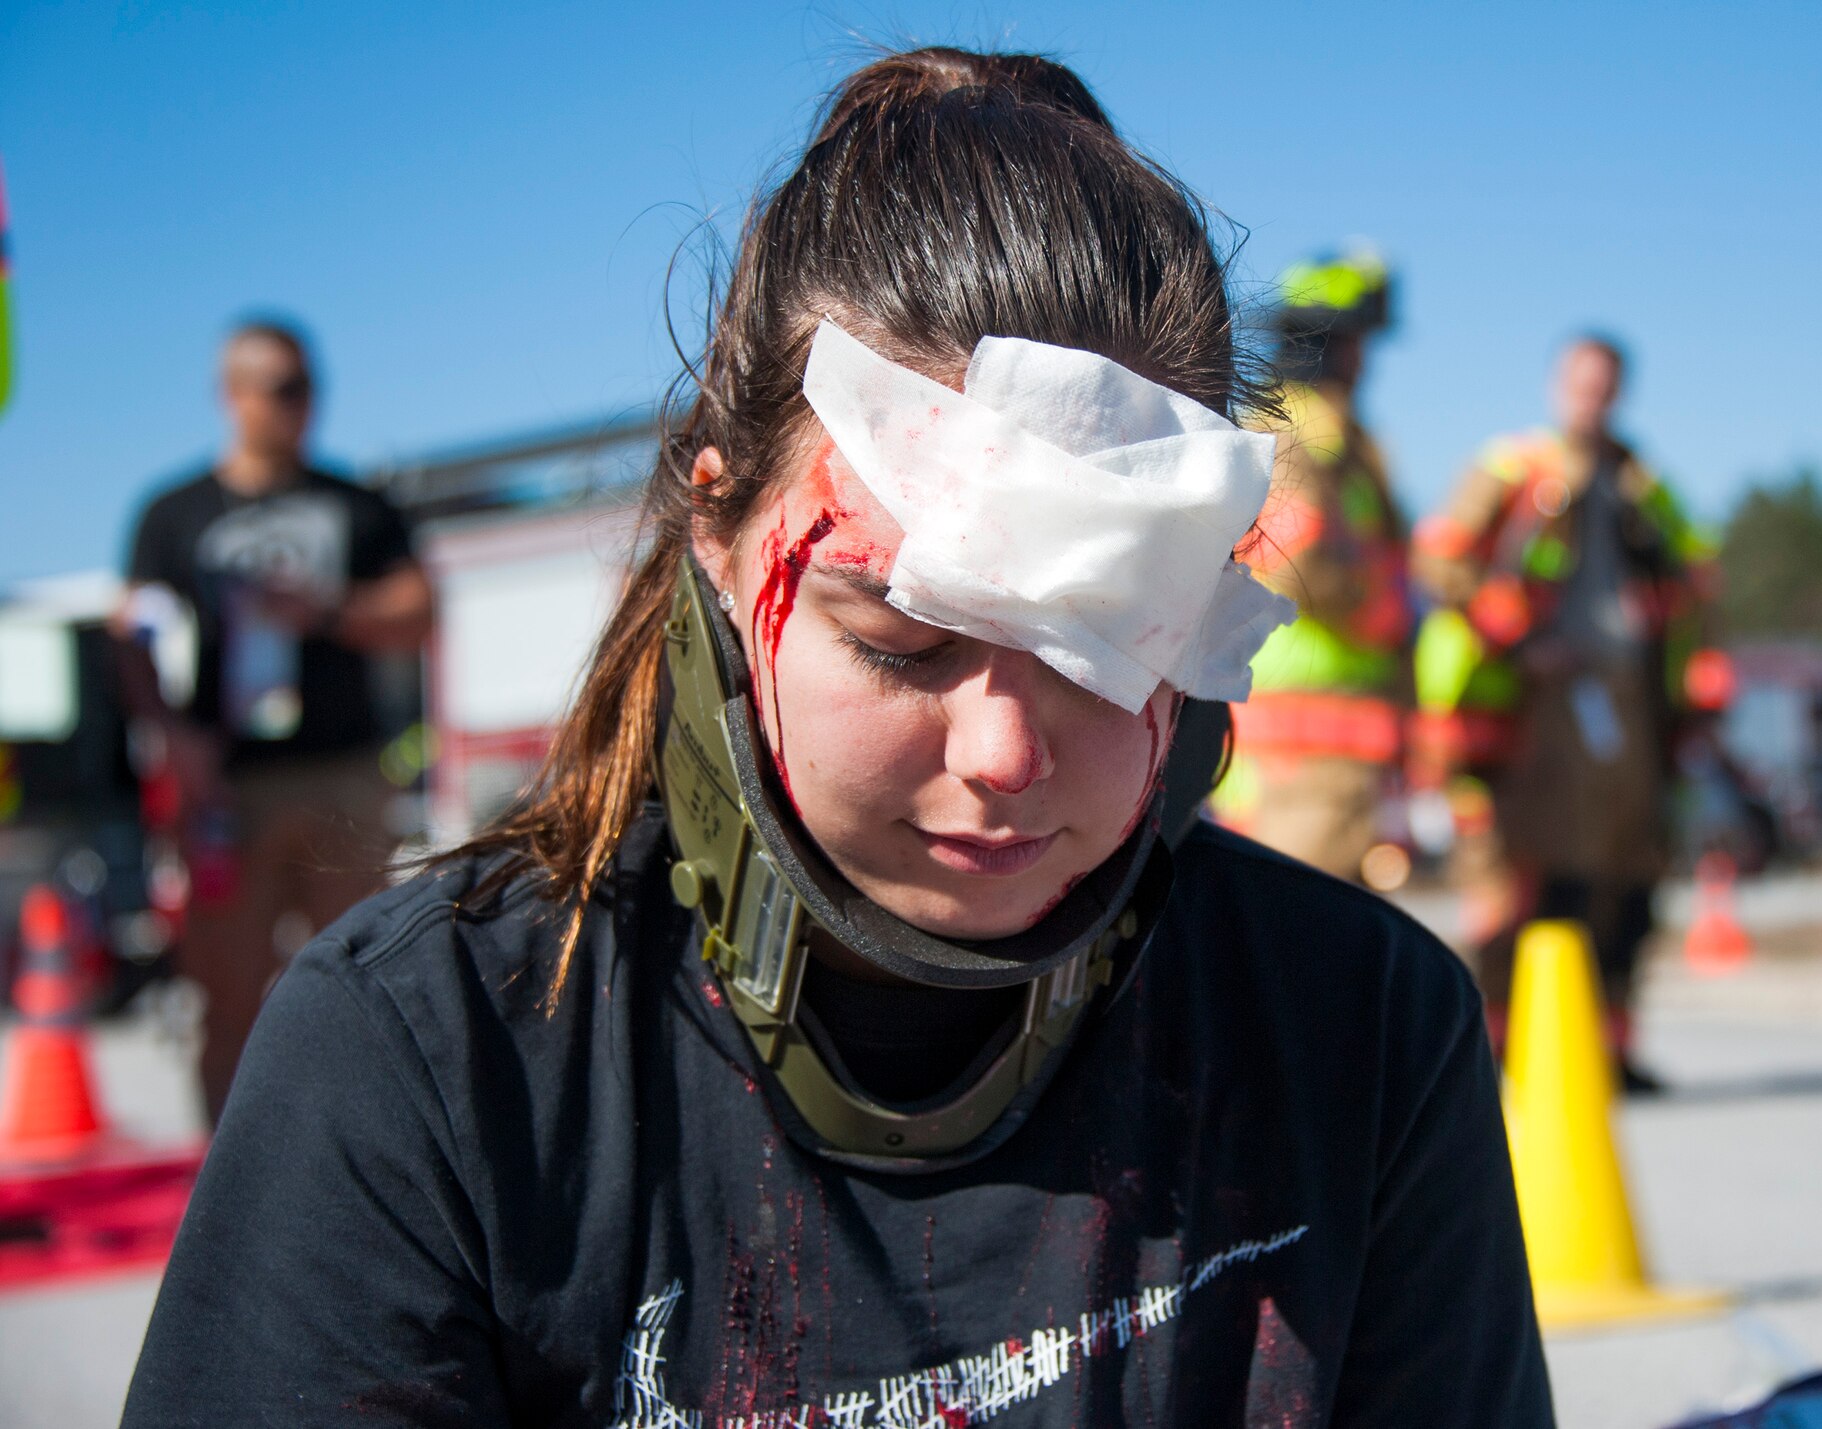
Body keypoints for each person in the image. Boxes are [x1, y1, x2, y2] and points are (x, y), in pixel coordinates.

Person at [124, 51, 1552, 1426]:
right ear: (725, 539)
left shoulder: (1362, 1038)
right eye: (901, 637)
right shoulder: (426, 1062)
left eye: (1101, 644)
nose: (1004, 749)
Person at [113, 319, 433, 1119]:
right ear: (233, 396)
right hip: (231, 788)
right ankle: (230, 1182)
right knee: (227, 996)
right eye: (281, 387)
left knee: (371, 982)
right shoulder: (174, 513)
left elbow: (418, 608)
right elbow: (130, 637)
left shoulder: (353, 502)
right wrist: (171, 737)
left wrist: (322, 608)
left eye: (307, 385)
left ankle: (368, 1166)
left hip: (342, 775)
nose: (301, 405)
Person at [1410, 334, 1725, 1091]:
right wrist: (1521, 641)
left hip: (1633, 705)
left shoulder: (1643, 483)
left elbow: (1699, 582)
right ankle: (1512, 1045)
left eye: (1607, 385)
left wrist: (1698, 695)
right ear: (1559, 383)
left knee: (1628, 874)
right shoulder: (1514, 467)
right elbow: (1441, 559)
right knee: (1539, 876)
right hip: (1543, 705)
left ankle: (1608, 1047)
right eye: (1583, 383)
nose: (1594, 398)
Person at [1212, 250, 1411, 882]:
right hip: (1303, 723)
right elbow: (1302, 548)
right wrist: (1388, 612)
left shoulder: (1327, 431)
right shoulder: (1298, 429)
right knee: (1299, 914)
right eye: (1355, 342)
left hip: (1332, 720)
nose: (1364, 362)